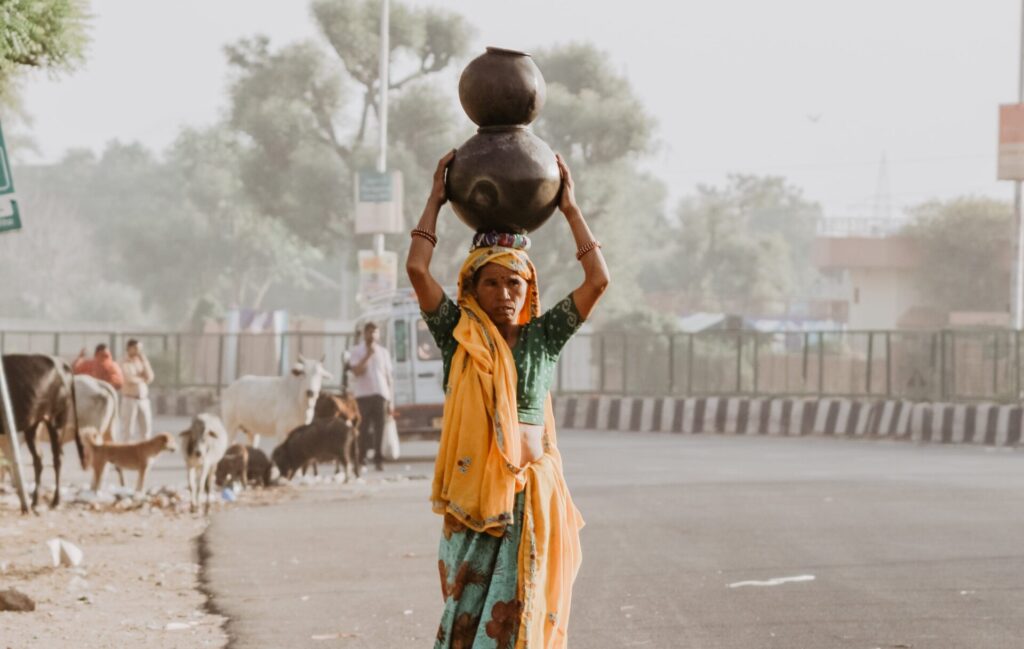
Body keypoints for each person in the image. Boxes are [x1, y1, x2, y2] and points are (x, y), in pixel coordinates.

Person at [407, 150, 610, 648]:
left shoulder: (544, 337)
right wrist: (435, 199)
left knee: (522, 619)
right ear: (472, 289)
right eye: (491, 283)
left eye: (514, 283)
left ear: (529, 288)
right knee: (467, 616)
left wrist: (570, 209)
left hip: (532, 503)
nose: (504, 294)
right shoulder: (459, 334)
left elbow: (598, 281)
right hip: (478, 507)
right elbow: (417, 269)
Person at [346, 322, 394, 471]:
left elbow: (388, 377)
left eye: (375, 332)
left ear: (378, 335)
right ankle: (361, 459)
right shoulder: (356, 351)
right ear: (364, 334)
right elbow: (356, 371)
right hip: (363, 396)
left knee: (380, 429)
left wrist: (391, 401)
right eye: (369, 332)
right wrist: (367, 355)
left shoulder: (384, 352)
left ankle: (378, 460)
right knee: (363, 429)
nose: (372, 335)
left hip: (381, 395)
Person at [120, 339, 155, 441]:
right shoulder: (123, 362)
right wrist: (142, 379)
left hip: (143, 400)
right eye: (135, 348)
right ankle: (126, 454)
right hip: (130, 399)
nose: (138, 351)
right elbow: (128, 378)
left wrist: (144, 362)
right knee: (128, 430)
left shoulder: (142, 361)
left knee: (146, 429)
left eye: (139, 349)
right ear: (129, 348)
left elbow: (150, 377)